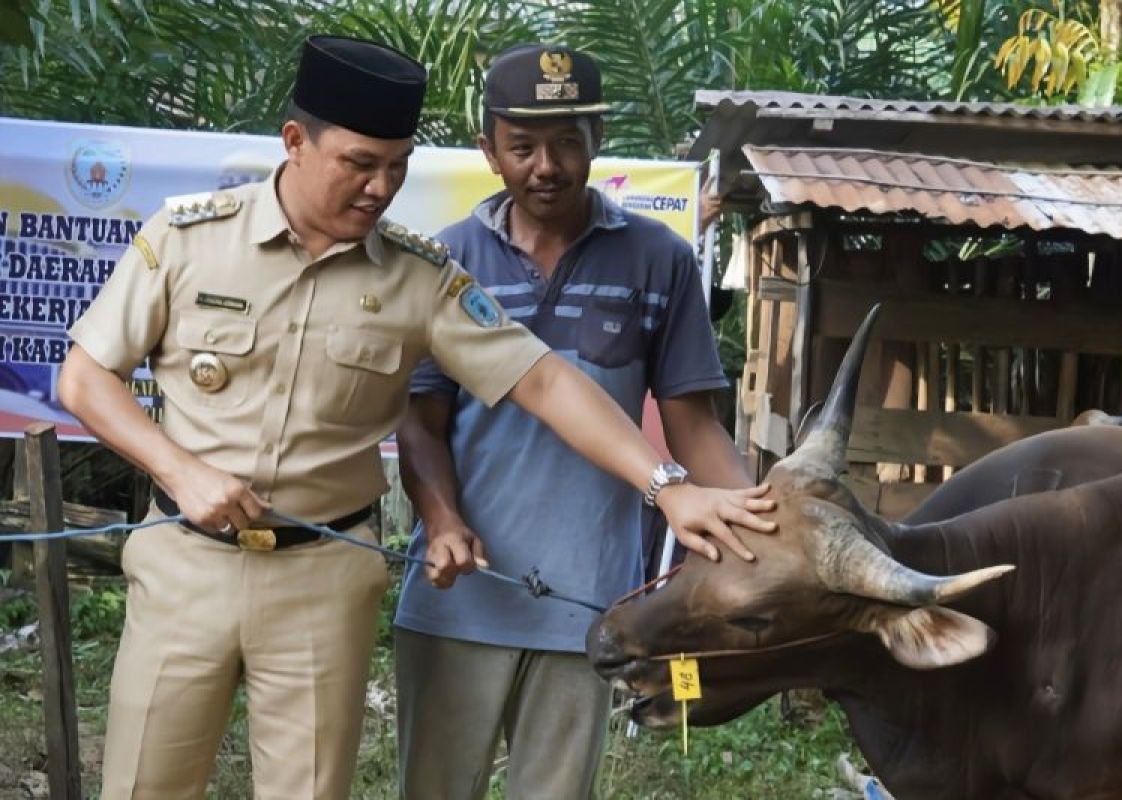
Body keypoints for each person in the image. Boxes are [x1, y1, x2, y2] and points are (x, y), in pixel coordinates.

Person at [56, 35, 773, 800]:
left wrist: (668, 485)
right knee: (143, 786)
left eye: (396, 165)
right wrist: (179, 469)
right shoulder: (190, 238)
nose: (381, 187)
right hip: (183, 563)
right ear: (296, 143)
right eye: (360, 164)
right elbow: (85, 377)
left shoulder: (422, 277)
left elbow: (546, 382)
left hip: (322, 576)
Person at [392, 43, 763, 800]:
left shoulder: (658, 259)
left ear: (598, 136)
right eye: (522, 146)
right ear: (488, 151)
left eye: (567, 142)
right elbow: (420, 423)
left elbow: (691, 423)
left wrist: (765, 524)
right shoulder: (446, 261)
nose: (546, 166)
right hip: (458, 598)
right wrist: (441, 520)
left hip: (586, 605)